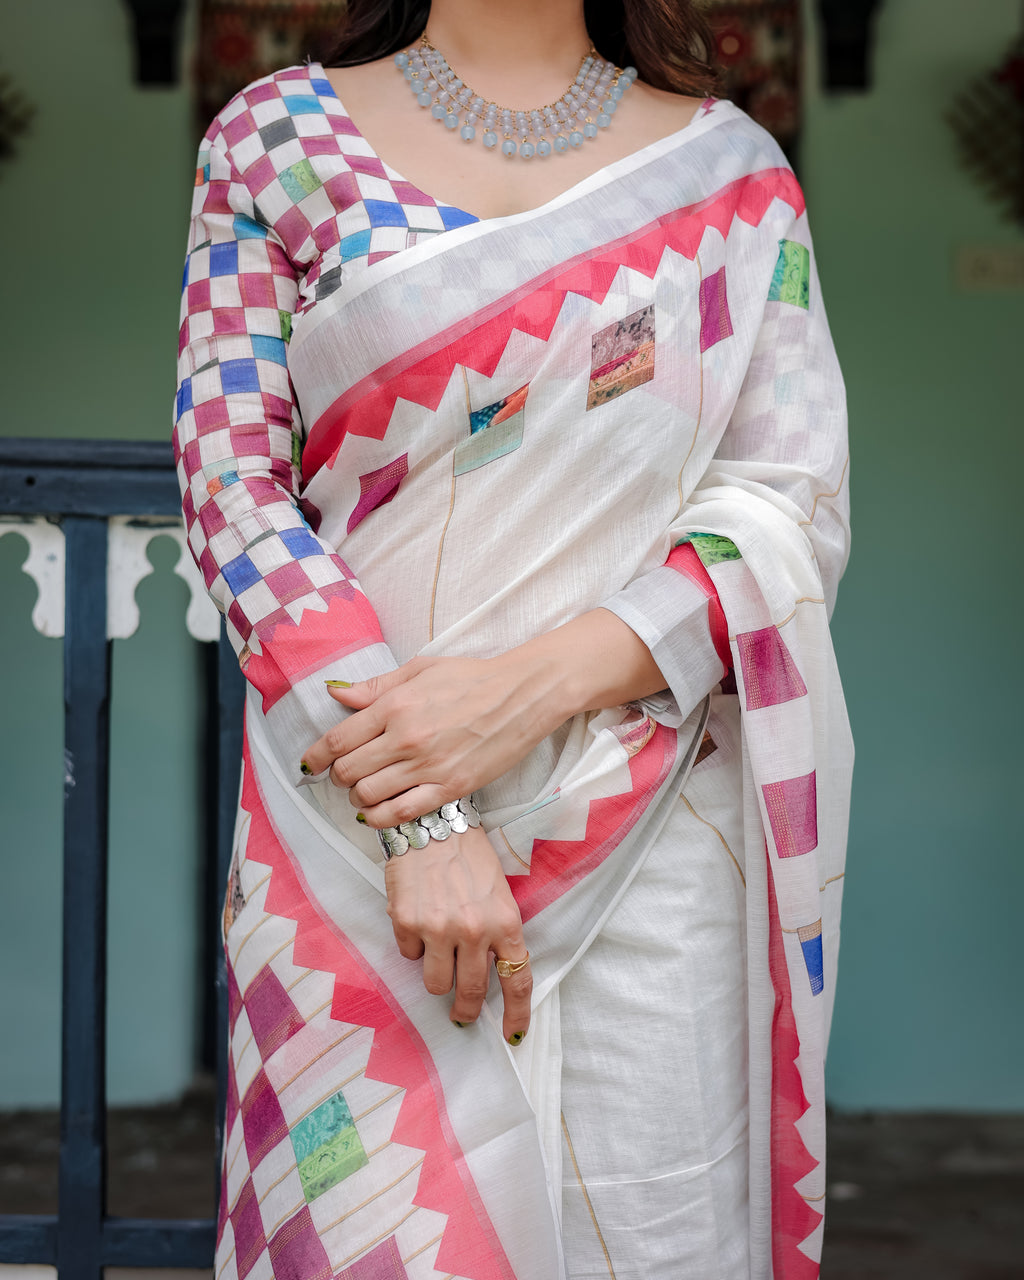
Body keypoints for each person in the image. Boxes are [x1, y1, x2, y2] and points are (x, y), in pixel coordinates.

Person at [173, 0, 852, 1275]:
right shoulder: (274, 141)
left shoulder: (729, 175)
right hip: (353, 827)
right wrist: (422, 814)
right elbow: (234, 489)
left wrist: (522, 693)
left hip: (647, 821)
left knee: (649, 1226)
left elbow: (786, 502)